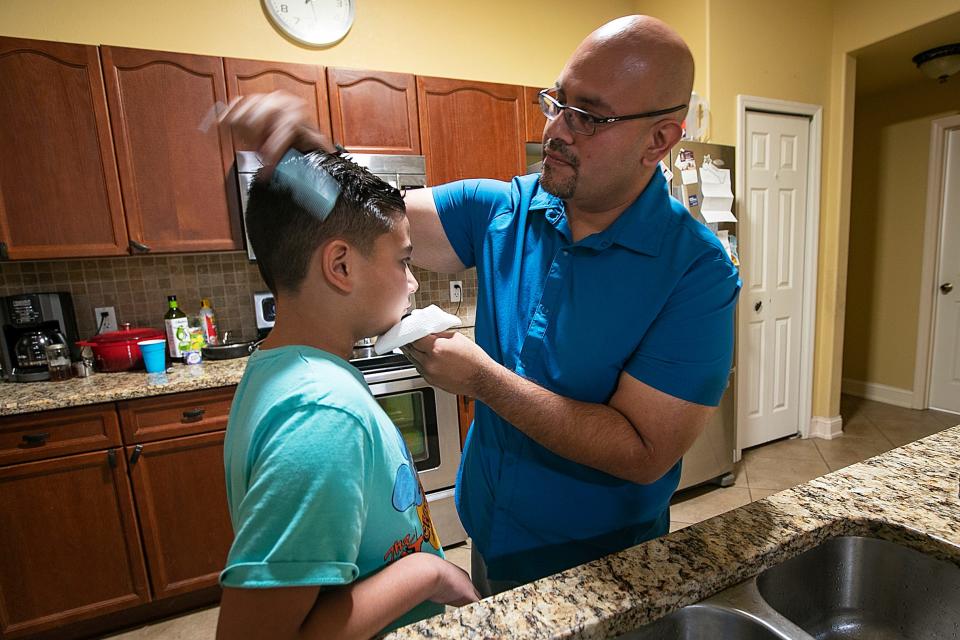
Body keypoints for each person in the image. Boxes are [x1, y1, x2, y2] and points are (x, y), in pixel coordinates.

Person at [222, 14, 739, 596]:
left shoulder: (697, 275)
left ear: (660, 139)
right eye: (557, 102)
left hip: (606, 568)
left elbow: (644, 451)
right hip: (490, 540)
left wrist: (486, 382)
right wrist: (299, 158)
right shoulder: (504, 209)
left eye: (589, 116)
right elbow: (363, 225)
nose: (557, 131)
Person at [215, 152, 478, 640]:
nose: (412, 283)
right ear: (340, 266)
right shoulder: (324, 414)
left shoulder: (280, 370)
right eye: (403, 261)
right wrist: (430, 572)